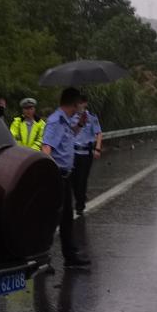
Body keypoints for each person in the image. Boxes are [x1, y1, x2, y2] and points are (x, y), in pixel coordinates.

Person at [41, 87, 92, 268]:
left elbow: (68, 139)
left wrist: (80, 125)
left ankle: (70, 257)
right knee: (52, 219)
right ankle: (42, 258)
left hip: (65, 176)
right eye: (79, 103)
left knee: (66, 219)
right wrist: (50, 175)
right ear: (73, 103)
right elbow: (46, 148)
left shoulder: (66, 121)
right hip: (57, 177)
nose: (80, 106)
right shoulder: (55, 122)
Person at [71, 94, 103, 215]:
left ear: (86, 104)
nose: (81, 105)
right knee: (73, 180)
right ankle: (81, 196)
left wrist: (98, 148)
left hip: (86, 153)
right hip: (73, 153)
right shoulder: (71, 117)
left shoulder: (91, 118)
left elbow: (99, 133)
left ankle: (80, 205)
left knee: (82, 179)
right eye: (78, 102)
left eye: (83, 102)